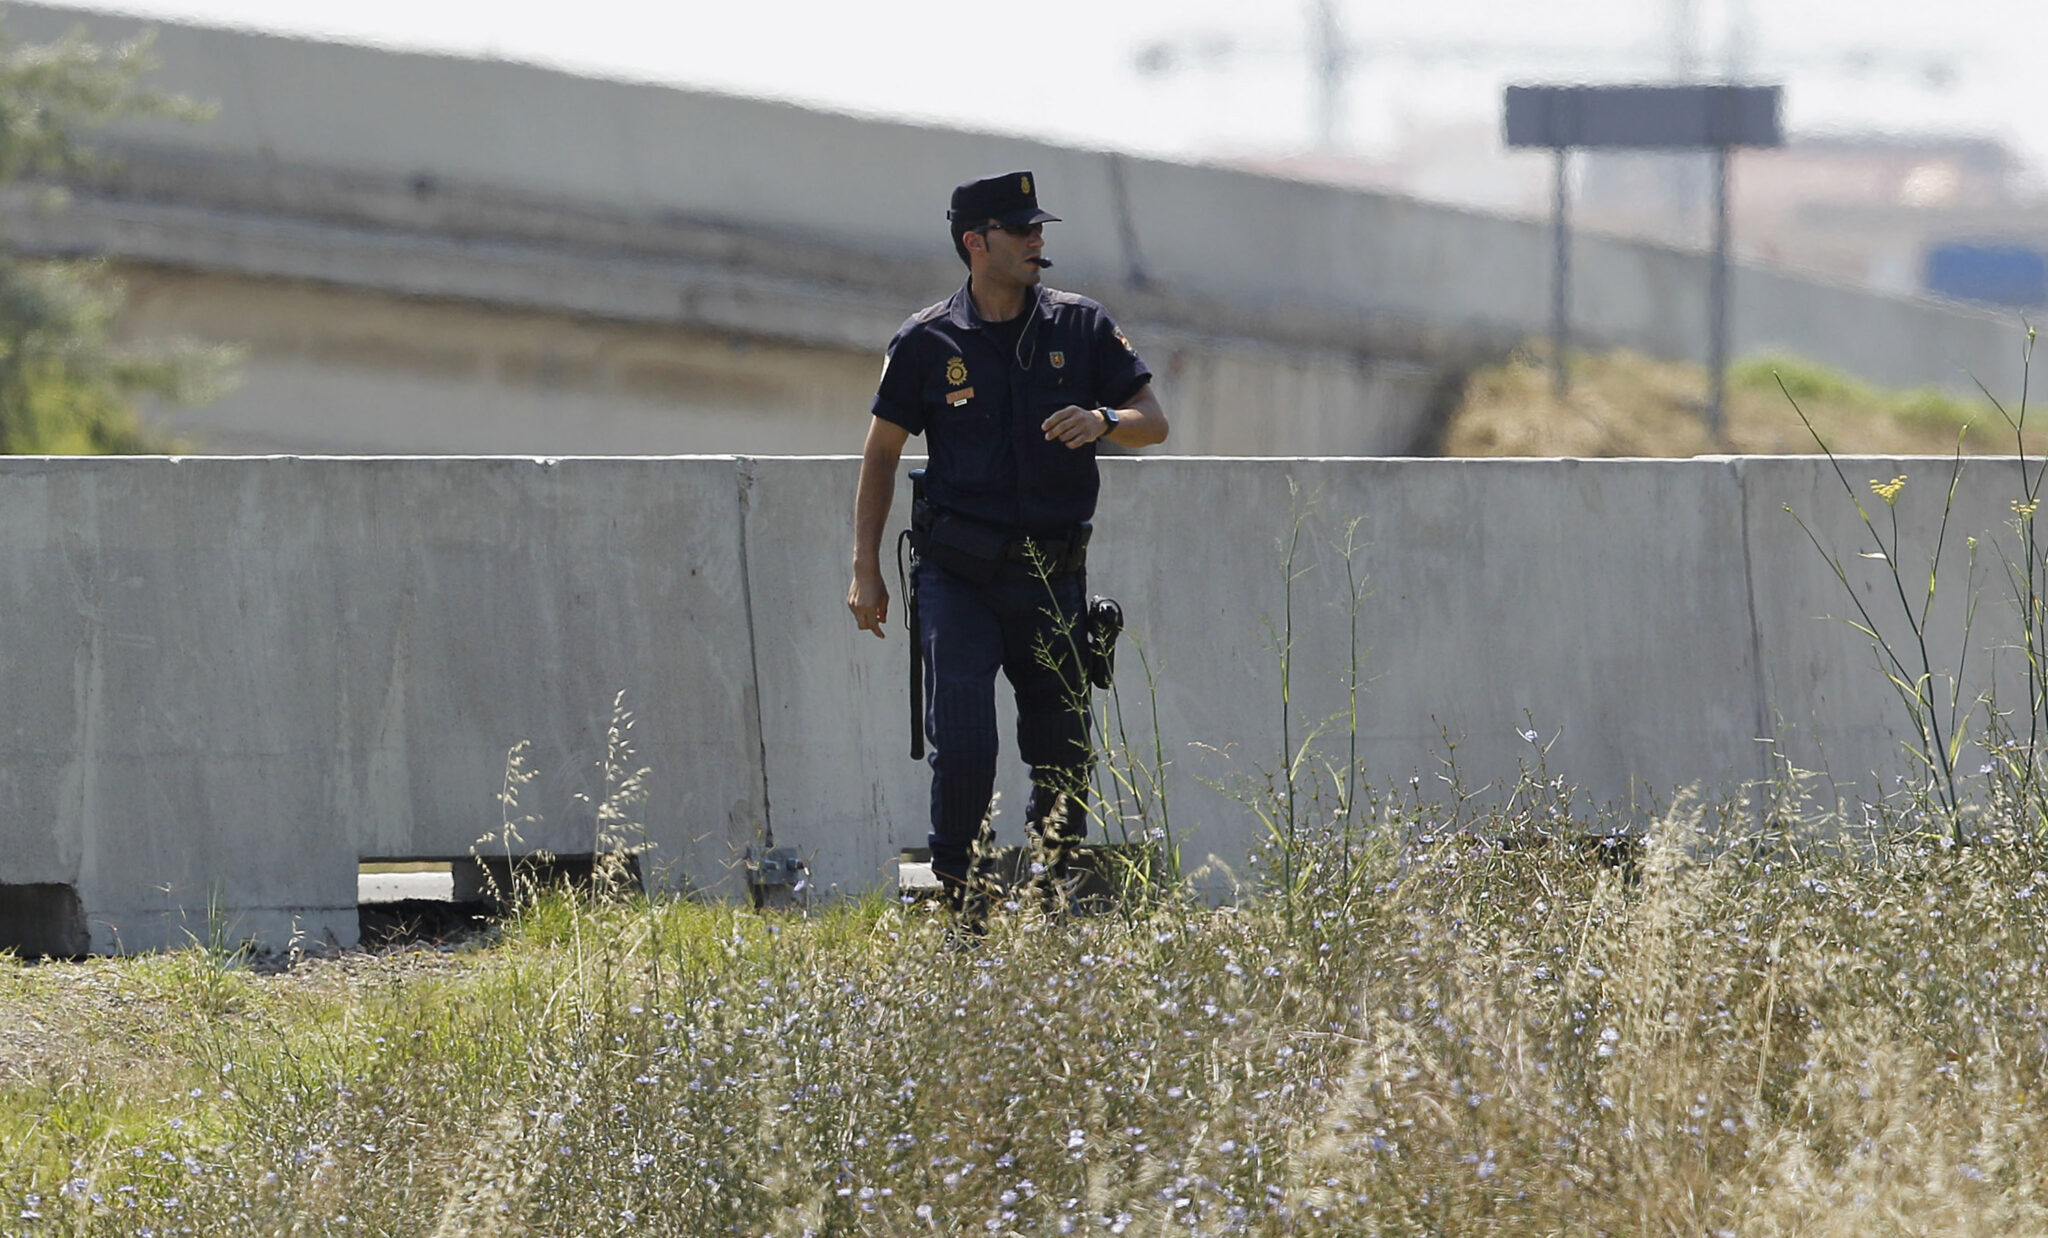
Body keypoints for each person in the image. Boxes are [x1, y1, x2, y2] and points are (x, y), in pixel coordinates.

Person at [846, 170, 1169, 920]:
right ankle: (961, 901)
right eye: (1020, 229)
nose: (1037, 240)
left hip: (1052, 576)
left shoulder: (1080, 326)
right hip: (958, 578)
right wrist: (866, 570)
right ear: (975, 241)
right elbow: (880, 453)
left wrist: (1103, 419)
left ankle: (1051, 891)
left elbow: (1154, 419)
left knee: (1062, 749)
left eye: (1039, 228)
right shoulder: (927, 342)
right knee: (963, 743)